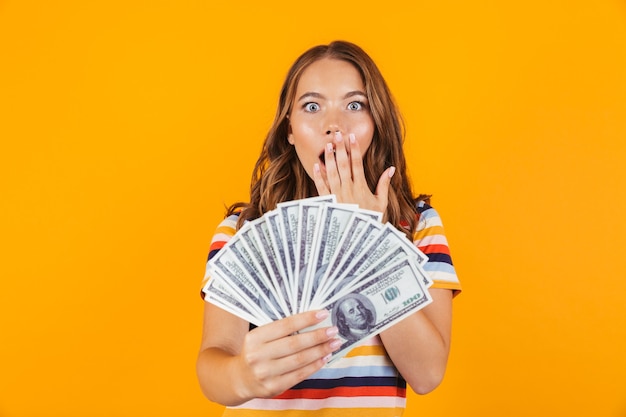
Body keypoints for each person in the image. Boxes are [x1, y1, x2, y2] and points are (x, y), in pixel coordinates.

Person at [197, 40, 461, 416]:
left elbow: (427, 373)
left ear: (376, 123)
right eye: (312, 106)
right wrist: (242, 376)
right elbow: (212, 365)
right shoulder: (243, 231)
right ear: (289, 129)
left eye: (355, 105)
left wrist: (368, 238)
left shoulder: (416, 225)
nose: (334, 126)